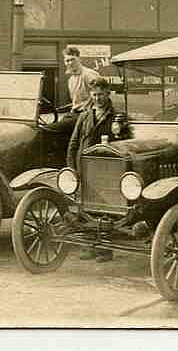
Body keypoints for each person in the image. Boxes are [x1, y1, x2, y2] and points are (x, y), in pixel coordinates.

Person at [66, 76, 118, 263]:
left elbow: (126, 143)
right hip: (84, 168)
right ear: (90, 95)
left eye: (101, 94)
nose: (97, 98)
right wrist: (72, 168)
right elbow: (73, 143)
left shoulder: (117, 116)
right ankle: (89, 246)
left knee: (106, 210)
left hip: (108, 170)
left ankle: (105, 249)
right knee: (84, 209)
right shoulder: (84, 116)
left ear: (108, 94)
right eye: (94, 95)